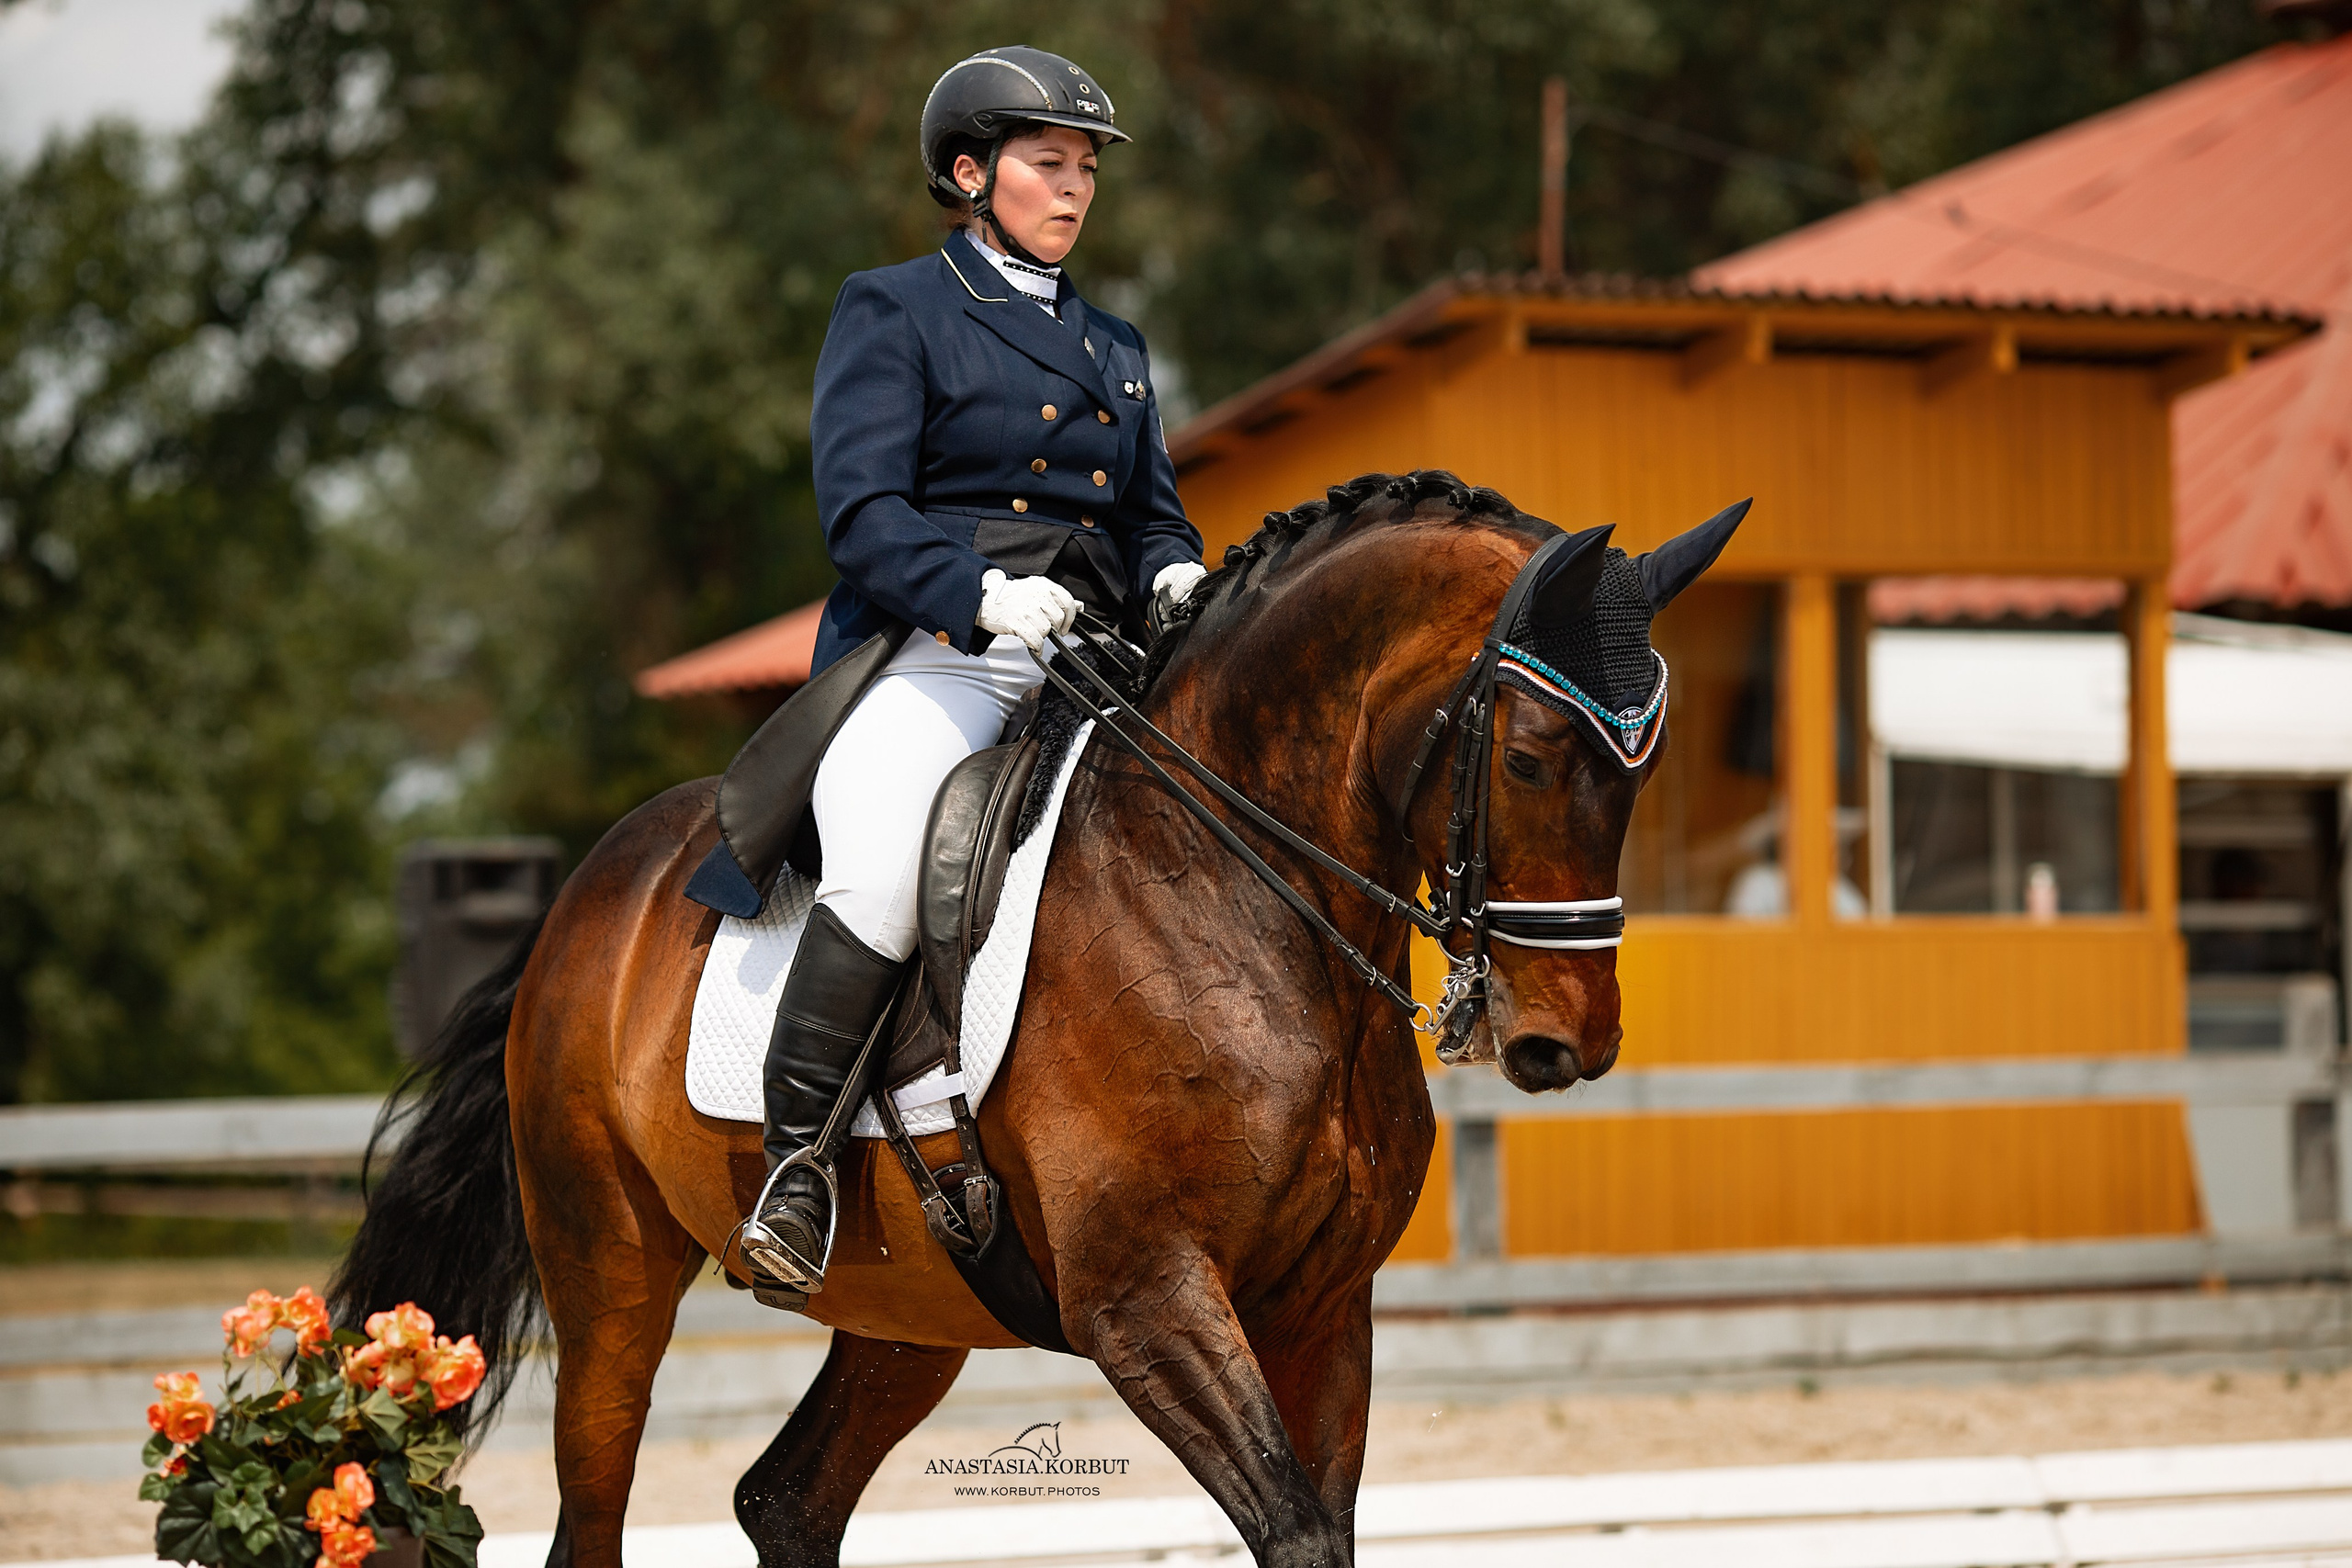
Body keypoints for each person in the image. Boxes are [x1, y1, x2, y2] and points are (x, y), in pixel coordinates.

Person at [739, 47, 1206, 1299]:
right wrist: (981, 592)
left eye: (1086, 169)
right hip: (942, 654)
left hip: (1091, 659)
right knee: (890, 867)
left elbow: (1151, 515)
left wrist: (1173, 575)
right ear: (969, 171)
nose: (1074, 189)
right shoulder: (895, 308)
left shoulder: (1115, 344)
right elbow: (862, 512)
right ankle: (797, 1166)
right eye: (1048, 163)